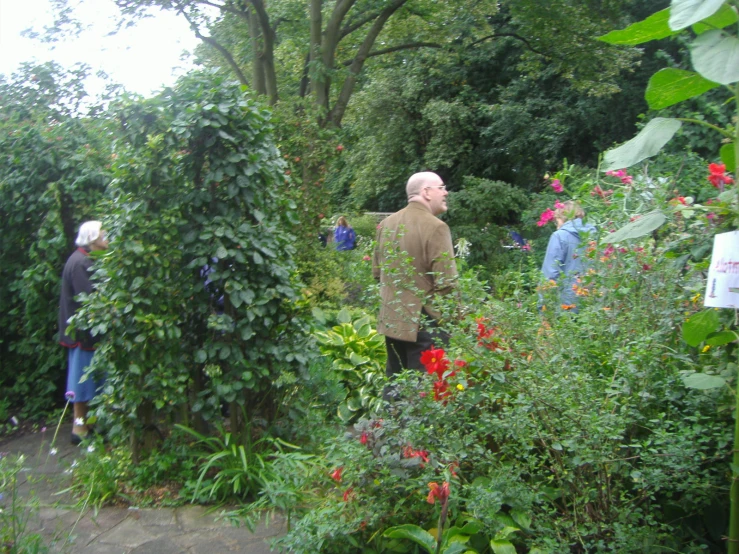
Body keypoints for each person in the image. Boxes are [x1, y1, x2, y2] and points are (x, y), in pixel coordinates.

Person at [372, 172, 458, 386]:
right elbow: (447, 283)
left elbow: (377, 273)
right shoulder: (436, 227)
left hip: (393, 320)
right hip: (425, 325)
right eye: (441, 187)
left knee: (395, 389)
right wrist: (451, 321)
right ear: (426, 192)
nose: (445, 192)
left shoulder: (386, 225)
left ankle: (384, 421)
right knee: (423, 395)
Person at [59, 221, 109, 444]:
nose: (108, 237)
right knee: (81, 383)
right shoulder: (80, 263)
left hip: (87, 332)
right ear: (92, 239)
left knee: (91, 380)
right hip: (82, 334)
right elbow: (89, 299)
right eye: (104, 234)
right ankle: (79, 430)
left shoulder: (87, 259)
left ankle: (90, 425)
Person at [540, 201, 596, 311]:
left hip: (566, 306)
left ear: (563, 217)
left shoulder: (560, 236)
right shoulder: (596, 235)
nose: (557, 226)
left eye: (557, 221)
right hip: (594, 304)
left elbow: (550, 274)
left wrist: (543, 307)